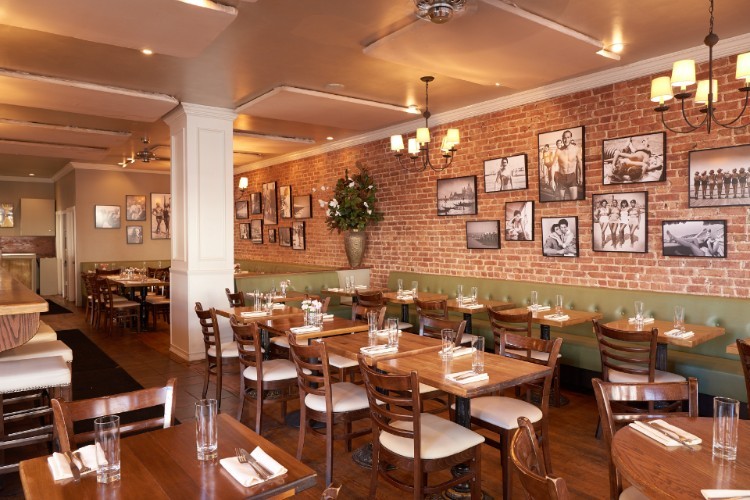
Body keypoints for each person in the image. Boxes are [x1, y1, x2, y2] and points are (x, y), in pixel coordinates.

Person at [550, 130, 582, 200]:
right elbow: (553, 165)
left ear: (571, 138)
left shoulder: (576, 149)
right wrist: (552, 180)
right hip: (561, 177)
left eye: (568, 137)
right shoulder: (558, 151)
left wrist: (581, 176)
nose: (566, 140)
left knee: (574, 200)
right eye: (564, 138)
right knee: (561, 201)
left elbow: (580, 162)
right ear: (562, 138)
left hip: (572, 177)